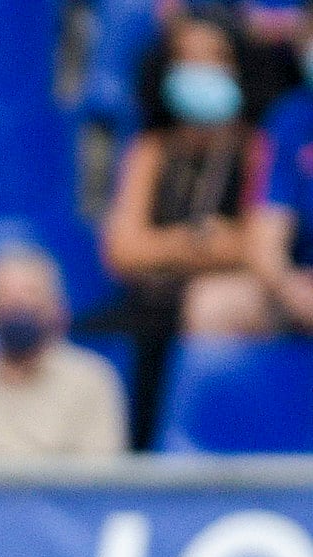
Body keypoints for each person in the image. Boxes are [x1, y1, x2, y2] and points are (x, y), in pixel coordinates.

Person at [98, 5, 267, 445]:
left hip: (213, 306)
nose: (200, 71)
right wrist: (200, 242)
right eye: (187, 58)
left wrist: (165, 248)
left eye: (213, 58)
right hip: (149, 300)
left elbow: (256, 245)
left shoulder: (255, 150)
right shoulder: (150, 151)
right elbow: (122, 249)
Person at [0, 244, 130, 462]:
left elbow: (101, 483)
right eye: (3, 295)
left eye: (31, 293)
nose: (17, 305)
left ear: (57, 306)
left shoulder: (93, 381)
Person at [250, 1, 313, 333]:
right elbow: (266, 241)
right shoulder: (289, 119)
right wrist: (291, 290)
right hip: (303, 286)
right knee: (213, 305)